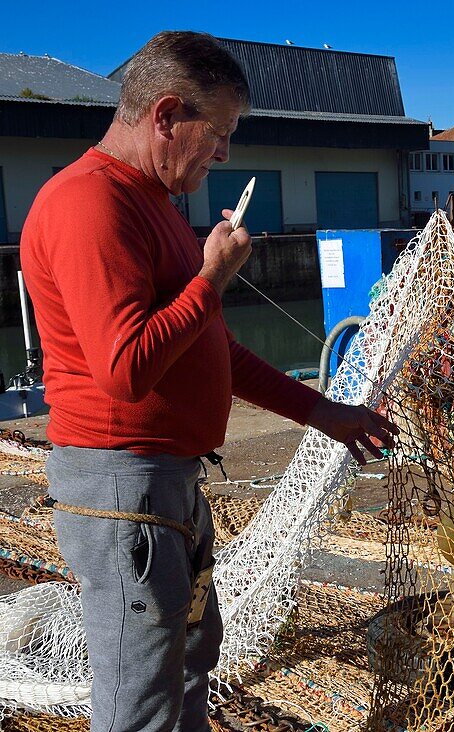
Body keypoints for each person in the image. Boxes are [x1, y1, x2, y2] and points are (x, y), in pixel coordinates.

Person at [20, 31, 395, 731]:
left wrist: (326, 413)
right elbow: (126, 370)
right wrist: (211, 276)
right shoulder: (88, 204)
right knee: (141, 700)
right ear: (165, 116)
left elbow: (214, 352)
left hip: (164, 486)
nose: (225, 153)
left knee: (191, 660)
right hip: (121, 489)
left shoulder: (154, 205)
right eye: (217, 133)